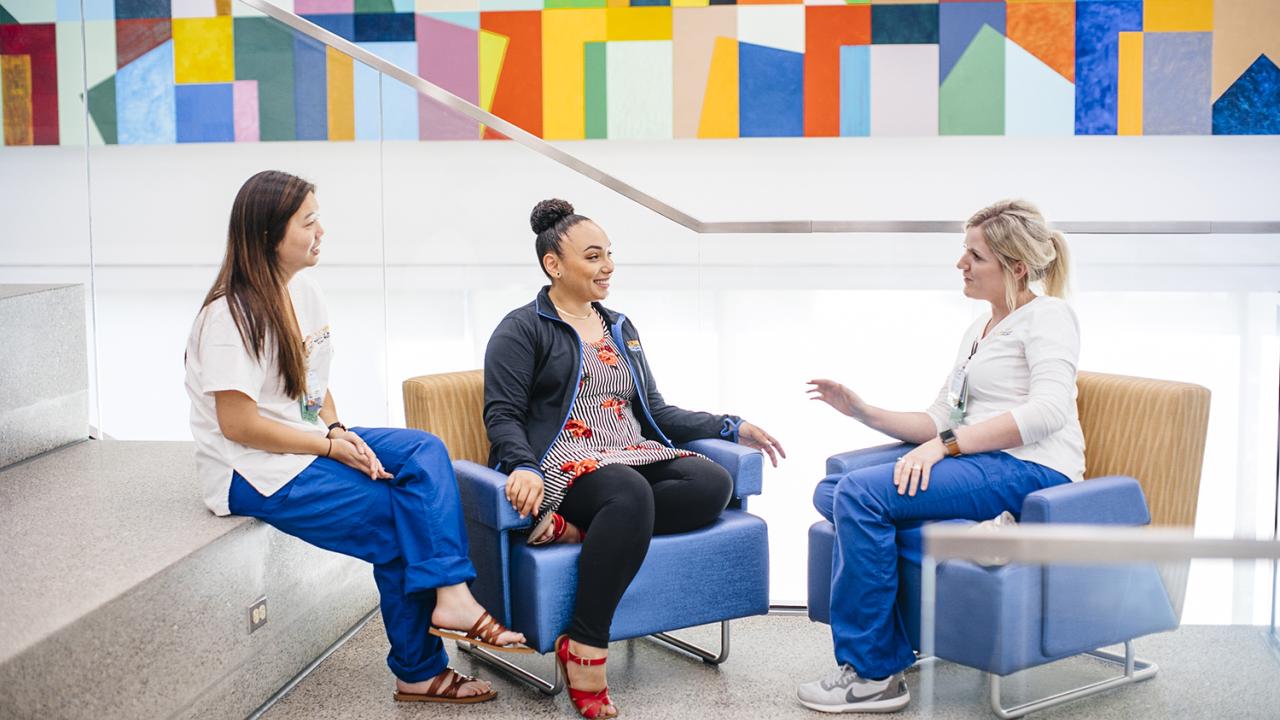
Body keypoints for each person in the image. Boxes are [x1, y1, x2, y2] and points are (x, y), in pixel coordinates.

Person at [183, 170, 528, 706]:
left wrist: (338, 429)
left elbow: (313, 384)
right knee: (398, 519)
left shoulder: (304, 291)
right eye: (309, 222)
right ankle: (419, 669)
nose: (321, 231)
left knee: (423, 449)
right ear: (271, 233)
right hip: (252, 467)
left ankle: (453, 595)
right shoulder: (229, 314)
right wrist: (327, 445)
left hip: (304, 439)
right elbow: (238, 424)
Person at [484, 199, 785, 719]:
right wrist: (522, 465)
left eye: (610, 256)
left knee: (711, 483)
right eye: (594, 256)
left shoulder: (620, 326)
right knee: (629, 493)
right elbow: (502, 413)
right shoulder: (522, 328)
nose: (608, 267)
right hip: (566, 461)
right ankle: (584, 645)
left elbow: (656, 411)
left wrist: (729, 425)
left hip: (629, 451)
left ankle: (581, 528)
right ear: (554, 265)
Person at [798, 199, 1085, 713]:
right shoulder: (979, 330)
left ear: (1016, 267)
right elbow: (939, 418)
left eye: (974, 255)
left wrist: (946, 446)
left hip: (1032, 469)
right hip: (980, 464)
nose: (961, 264)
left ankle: (874, 675)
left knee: (861, 496)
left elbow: (1048, 412)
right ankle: (980, 532)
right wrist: (863, 410)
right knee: (834, 491)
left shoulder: (1048, 317)